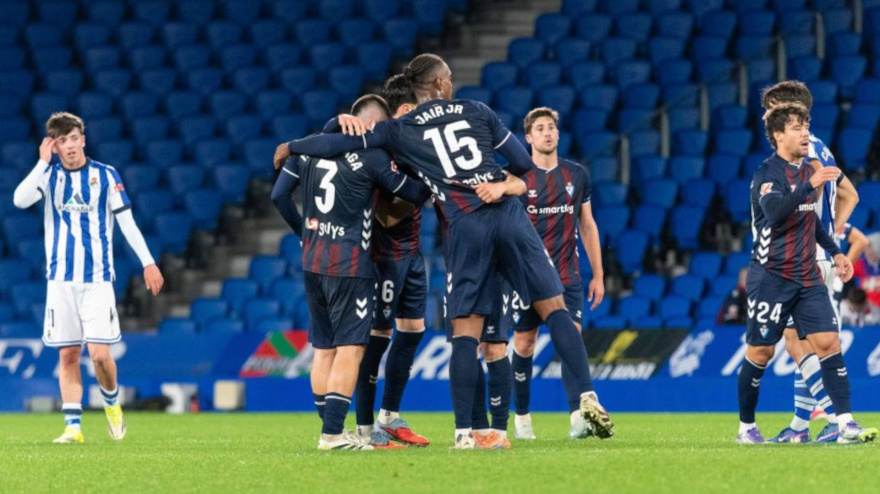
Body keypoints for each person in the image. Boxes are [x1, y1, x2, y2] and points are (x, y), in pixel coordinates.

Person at [276, 53, 613, 448]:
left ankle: (464, 435)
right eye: (448, 77)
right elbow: (523, 164)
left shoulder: (399, 129)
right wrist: (503, 184)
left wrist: (292, 145)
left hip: (465, 225)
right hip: (506, 211)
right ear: (438, 85)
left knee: (465, 333)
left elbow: (341, 142)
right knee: (553, 306)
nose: (451, 82)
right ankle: (586, 394)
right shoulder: (477, 110)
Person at [270, 95, 431, 451]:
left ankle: (332, 430)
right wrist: (432, 179)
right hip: (349, 265)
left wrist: (303, 232)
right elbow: (412, 193)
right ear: (371, 126)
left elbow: (279, 196)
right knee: (351, 349)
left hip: (312, 262)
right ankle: (331, 436)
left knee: (323, 350)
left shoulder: (307, 153)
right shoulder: (373, 158)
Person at [13, 112, 164, 444]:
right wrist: (41, 162)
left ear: (83, 138)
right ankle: (73, 428)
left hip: (97, 281)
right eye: (62, 140)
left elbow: (127, 223)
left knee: (98, 355)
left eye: (73, 138)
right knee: (67, 355)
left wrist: (148, 262)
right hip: (60, 282)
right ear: (54, 144)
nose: (69, 146)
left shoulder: (105, 176)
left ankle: (112, 406)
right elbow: (19, 199)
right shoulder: (49, 177)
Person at [735, 103, 876, 445]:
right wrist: (809, 183)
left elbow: (810, 222)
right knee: (761, 353)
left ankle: (844, 424)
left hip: (807, 275)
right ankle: (746, 428)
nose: (805, 134)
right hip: (771, 276)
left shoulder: (808, 170)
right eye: (798, 128)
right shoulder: (766, 175)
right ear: (779, 135)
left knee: (828, 342)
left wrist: (838, 251)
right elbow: (776, 214)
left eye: (806, 126)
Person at [760, 81, 862, 443]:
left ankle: (835, 418)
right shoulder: (823, 147)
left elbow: (810, 188)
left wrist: (816, 227)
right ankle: (801, 427)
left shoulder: (804, 154)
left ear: (788, 109)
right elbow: (851, 193)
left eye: (771, 109)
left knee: (797, 343)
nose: (765, 116)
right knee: (806, 340)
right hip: (821, 253)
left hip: (802, 256)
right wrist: (834, 233)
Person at [505, 107, 609, 441]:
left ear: (558, 134)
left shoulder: (576, 175)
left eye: (551, 127)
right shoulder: (517, 178)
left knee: (570, 341)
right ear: (529, 138)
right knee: (524, 344)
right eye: (540, 128)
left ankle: (578, 416)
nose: (547, 133)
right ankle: (521, 418)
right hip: (526, 276)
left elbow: (587, 224)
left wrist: (598, 274)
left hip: (567, 275)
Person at [853, 232, 880, 309]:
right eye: (866, 248)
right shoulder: (860, 264)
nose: (867, 252)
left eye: (871, 248)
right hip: (864, 308)